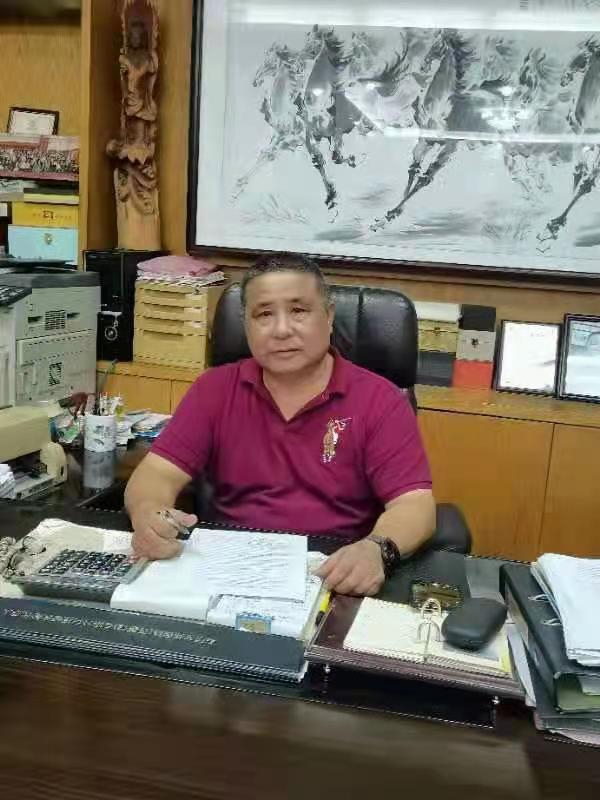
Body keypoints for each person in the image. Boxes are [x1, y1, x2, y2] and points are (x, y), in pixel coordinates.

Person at [125, 253, 435, 596]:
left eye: (298, 311)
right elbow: (157, 474)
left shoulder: (380, 399)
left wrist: (377, 548)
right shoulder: (214, 389)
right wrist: (148, 513)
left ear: (329, 316)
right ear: (246, 325)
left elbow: (414, 505)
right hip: (225, 570)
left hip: (334, 573)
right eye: (264, 315)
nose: (282, 329)